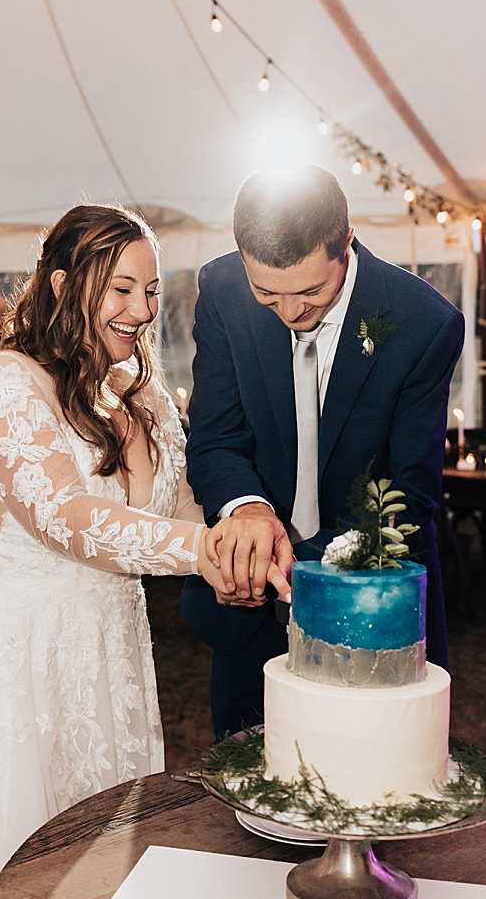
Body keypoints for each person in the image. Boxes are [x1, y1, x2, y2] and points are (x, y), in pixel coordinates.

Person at [0, 204, 287, 899]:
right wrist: (200, 550)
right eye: (120, 289)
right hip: (12, 661)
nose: (141, 309)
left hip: (109, 652)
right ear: (64, 285)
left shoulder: (144, 389)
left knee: (100, 868)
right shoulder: (3, 382)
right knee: (15, 866)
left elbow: (175, 507)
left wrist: (227, 555)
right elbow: (68, 518)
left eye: (151, 290)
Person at [182, 164, 465, 736]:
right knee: (249, 786)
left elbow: (408, 492)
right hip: (252, 595)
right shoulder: (222, 292)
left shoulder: (423, 322)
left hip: (371, 596)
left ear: (347, 243)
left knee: (373, 782)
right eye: (268, 293)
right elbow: (215, 437)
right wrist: (248, 510)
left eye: (311, 291)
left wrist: (315, 572)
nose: (289, 313)